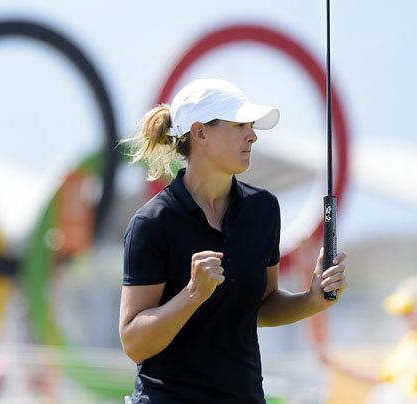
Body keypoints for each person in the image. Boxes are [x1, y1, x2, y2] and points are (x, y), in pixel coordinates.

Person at [118, 78, 348, 403]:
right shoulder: (152, 223)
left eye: (252, 126)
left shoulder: (263, 209)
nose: (252, 135)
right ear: (200, 133)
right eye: (240, 124)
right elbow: (134, 344)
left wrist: (311, 299)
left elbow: (260, 308)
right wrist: (193, 294)